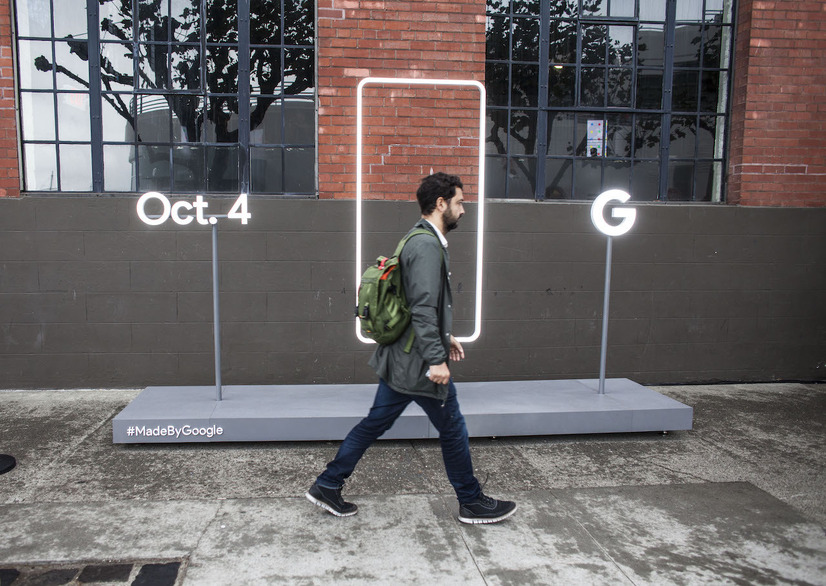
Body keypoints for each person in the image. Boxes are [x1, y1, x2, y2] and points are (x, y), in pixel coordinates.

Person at [306, 172, 517, 525]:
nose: (463, 210)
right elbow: (421, 305)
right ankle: (471, 501)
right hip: (418, 363)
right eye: (460, 202)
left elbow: (417, 304)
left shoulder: (419, 239)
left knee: (375, 423)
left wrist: (444, 335)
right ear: (441, 204)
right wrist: (436, 359)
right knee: (452, 428)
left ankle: (327, 484)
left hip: (402, 359)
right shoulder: (425, 245)